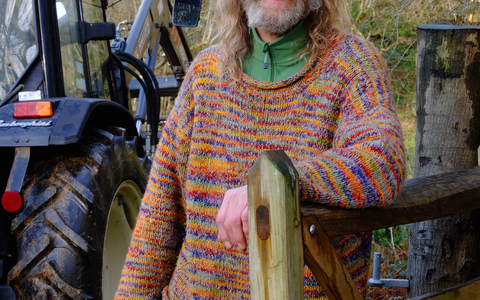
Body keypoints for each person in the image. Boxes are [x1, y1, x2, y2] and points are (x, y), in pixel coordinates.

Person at [115, 0, 406, 297]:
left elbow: (383, 159)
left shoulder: (352, 65)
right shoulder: (204, 75)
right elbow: (158, 220)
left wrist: (275, 185)